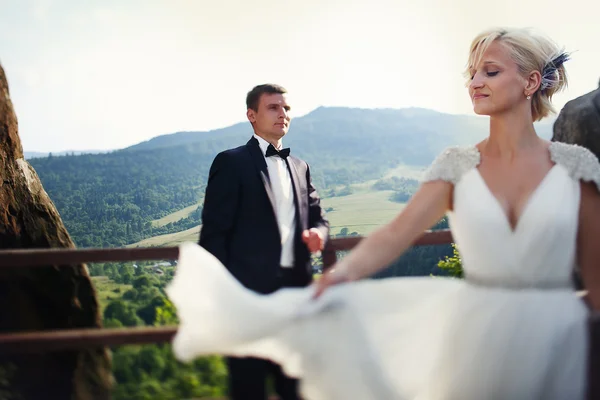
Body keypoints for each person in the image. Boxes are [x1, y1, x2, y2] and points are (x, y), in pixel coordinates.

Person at [167, 28, 600, 399]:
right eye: (472, 73)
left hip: (560, 337)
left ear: (531, 83)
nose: (475, 82)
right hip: (477, 336)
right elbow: (395, 235)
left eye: (490, 71)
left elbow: (597, 277)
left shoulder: (577, 167)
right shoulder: (456, 165)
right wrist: (337, 276)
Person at [196, 83, 330, 400]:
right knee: (248, 387)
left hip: (295, 295)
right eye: (273, 107)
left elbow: (318, 217)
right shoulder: (230, 162)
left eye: (286, 108)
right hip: (247, 298)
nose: (282, 114)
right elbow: (213, 235)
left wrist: (319, 234)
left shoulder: (300, 167)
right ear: (252, 115)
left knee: (294, 387)